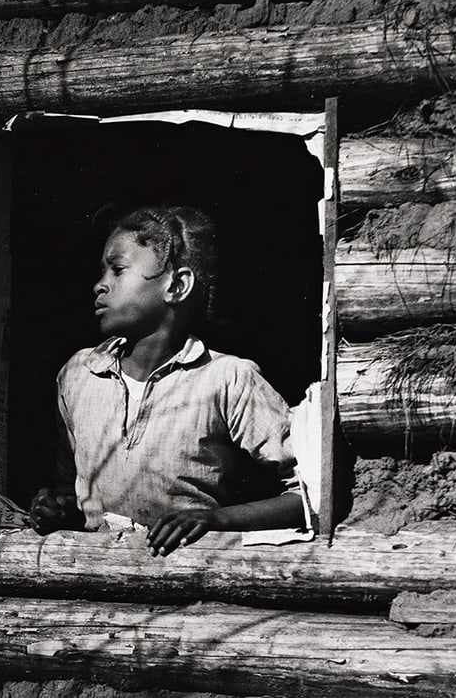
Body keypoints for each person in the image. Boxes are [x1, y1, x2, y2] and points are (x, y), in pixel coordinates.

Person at [28, 205, 307, 556]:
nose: (100, 285)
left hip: (185, 579)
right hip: (95, 580)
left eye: (117, 270)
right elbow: (68, 485)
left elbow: (310, 493)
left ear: (176, 286)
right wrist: (57, 508)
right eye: (103, 272)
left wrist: (217, 519)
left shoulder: (228, 379)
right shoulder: (79, 374)